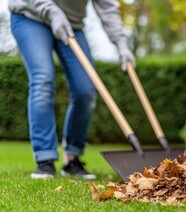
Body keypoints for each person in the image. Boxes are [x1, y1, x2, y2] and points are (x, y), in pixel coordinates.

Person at [8, 0, 135, 180]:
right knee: (42, 79)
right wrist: (50, 10)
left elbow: (107, 7)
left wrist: (122, 43)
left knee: (86, 90)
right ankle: (45, 158)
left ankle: (72, 159)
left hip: (71, 23)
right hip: (30, 15)